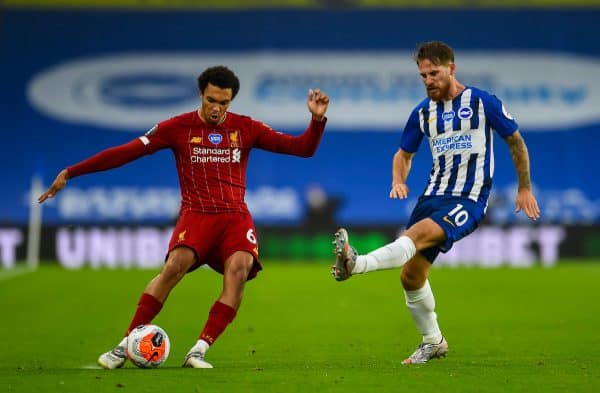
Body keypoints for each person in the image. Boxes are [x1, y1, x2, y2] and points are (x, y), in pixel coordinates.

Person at [38, 65, 330, 369]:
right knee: (174, 268)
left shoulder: (246, 128)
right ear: (201, 94)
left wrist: (317, 120)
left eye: (224, 102)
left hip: (234, 217)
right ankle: (125, 344)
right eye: (212, 100)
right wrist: (72, 172)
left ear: (232, 101)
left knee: (240, 271)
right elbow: (125, 152)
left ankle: (199, 350)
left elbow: (302, 148)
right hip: (197, 214)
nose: (217, 108)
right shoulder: (176, 128)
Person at [331, 41, 540, 364]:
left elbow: (515, 141)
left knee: (412, 239)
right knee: (411, 277)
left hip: (468, 199)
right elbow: (403, 154)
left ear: (451, 69)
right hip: (431, 197)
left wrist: (524, 187)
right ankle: (433, 341)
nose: (428, 80)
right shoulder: (423, 113)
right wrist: (398, 179)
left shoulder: (483, 102)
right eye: (423, 75)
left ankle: (355, 265)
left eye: (434, 73)